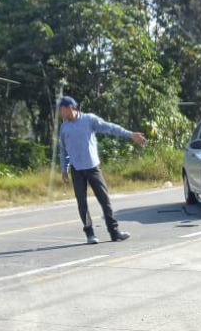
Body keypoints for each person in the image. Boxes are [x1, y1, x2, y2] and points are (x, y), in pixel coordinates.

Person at [57, 96, 146, 244]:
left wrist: (130, 134)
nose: (60, 113)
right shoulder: (64, 127)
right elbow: (63, 149)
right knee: (82, 203)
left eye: (61, 109)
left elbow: (110, 127)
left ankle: (114, 232)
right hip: (76, 170)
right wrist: (64, 170)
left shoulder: (89, 120)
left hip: (92, 168)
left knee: (105, 200)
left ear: (69, 108)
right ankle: (90, 234)